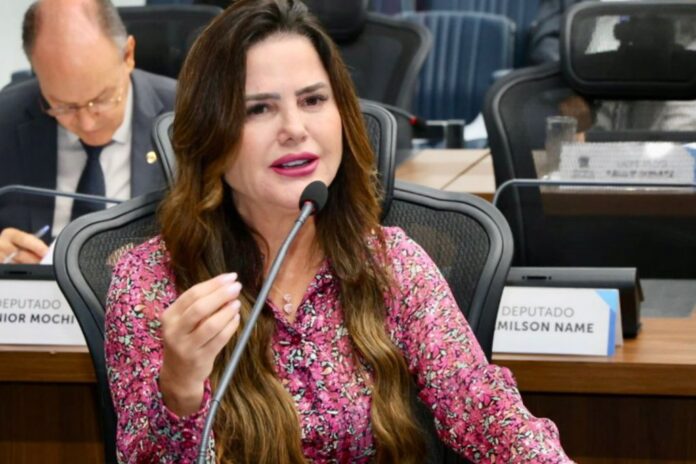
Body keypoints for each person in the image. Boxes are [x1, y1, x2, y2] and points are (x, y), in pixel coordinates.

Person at [105, 0, 573, 462]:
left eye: (312, 100)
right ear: (210, 134)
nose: (294, 128)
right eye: (259, 109)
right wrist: (180, 388)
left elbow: (483, 409)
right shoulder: (150, 282)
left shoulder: (390, 263)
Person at [0, 0, 176, 264]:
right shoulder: (6, 119)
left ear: (128, 55)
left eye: (101, 99)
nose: (87, 124)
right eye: (63, 106)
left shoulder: (186, 114)